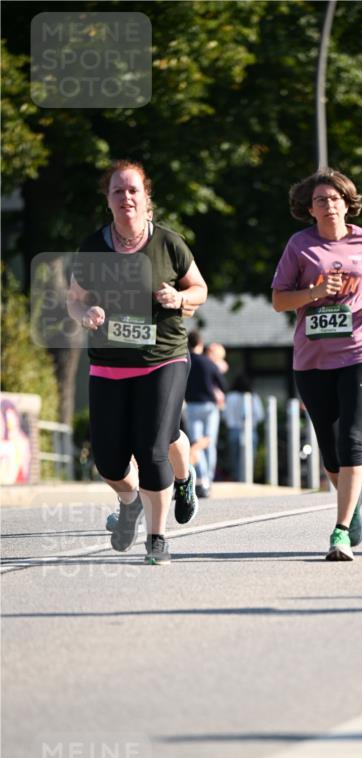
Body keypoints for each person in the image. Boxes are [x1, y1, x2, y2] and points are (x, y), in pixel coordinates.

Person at [67, 159, 207, 564]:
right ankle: (130, 503)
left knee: (153, 447)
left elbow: (199, 288)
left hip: (163, 357)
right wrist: (86, 315)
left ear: (147, 198)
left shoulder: (168, 243)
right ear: (107, 201)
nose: (126, 197)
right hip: (109, 364)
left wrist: (180, 299)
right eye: (117, 191)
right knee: (109, 459)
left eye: (133, 190)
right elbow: (74, 302)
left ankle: (158, 537)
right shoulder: (93, 248)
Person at [272, 168, 362, 561]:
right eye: (321, 200)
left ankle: (340, 530)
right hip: (312, 359)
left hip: (361, 351)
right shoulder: (299, 245)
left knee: (352, 439)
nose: (329, 205)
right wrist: (312, 292)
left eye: (335, 198)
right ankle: (353, 504)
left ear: (348, 202)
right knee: (329, 450)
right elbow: (279, 300)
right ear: (309, 209)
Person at [184, 330, 228, 498]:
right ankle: (208, 478)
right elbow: (223, 384)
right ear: (201, 344)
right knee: (209, 443)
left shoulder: (184, 362)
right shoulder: (209, 363)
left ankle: (201, 478)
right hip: (210, 406)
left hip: (193, 406)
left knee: (196, 443)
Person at [223, 374, 265, 482]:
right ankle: (247, 479)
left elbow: (225, 416)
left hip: (233, 430)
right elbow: (260, 416)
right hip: (250, 430)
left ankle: (237, 478)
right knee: (250, 457)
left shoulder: (230, 396)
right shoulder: (253, 397)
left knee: (234, 459)